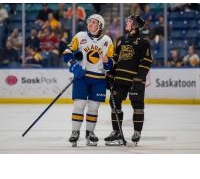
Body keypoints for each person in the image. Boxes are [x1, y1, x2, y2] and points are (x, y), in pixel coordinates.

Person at [63, 14, 114, 147]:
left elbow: (111, 62)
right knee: (79, 104)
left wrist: (108, 62)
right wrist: (74, 67)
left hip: (99, 79)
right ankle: (75, 132)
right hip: (82, 77)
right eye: (89, 22)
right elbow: (66, 53)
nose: (89, 24)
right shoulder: (80, 36)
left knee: (94, 107)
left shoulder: (107, 40)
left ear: (100, 25)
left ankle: (90, 133)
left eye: (93, 22)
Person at [104, 14, 152, 146]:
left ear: (135, 25)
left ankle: (137, 132)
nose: (126, 23)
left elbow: (146, 62)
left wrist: (140, 78)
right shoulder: (121, 39)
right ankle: (117, 132)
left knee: (137, 106)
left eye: (129, 21)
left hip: (134, 80)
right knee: (114, 104)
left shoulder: (143, 43)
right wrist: (110, 74)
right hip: (120, 80)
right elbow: (115, 59)